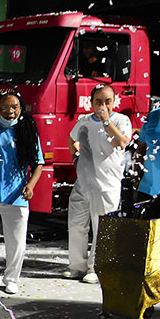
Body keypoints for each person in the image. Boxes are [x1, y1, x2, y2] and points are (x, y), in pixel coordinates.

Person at [65, 84, 133, 283]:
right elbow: (71, 138)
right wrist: (76, 157)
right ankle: (76, 265)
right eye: (98, 101)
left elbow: (121, 142)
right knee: (77, 225)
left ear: (114, 101)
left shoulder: (121, 120)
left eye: (107, 101)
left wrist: (106, 121)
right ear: (91, 102)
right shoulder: (84, 121)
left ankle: (96, 268)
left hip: (107, 185)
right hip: (83, 183)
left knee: (101, 228)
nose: (103, 105)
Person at [0, 91, 44, 294]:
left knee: (16, 242)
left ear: (20, 108)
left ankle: (11, 279)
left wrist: (30, 185)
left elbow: (38, 163)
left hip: (16, 195)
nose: (10, 111)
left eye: (14, 107)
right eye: (5, 107)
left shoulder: (27, 130)